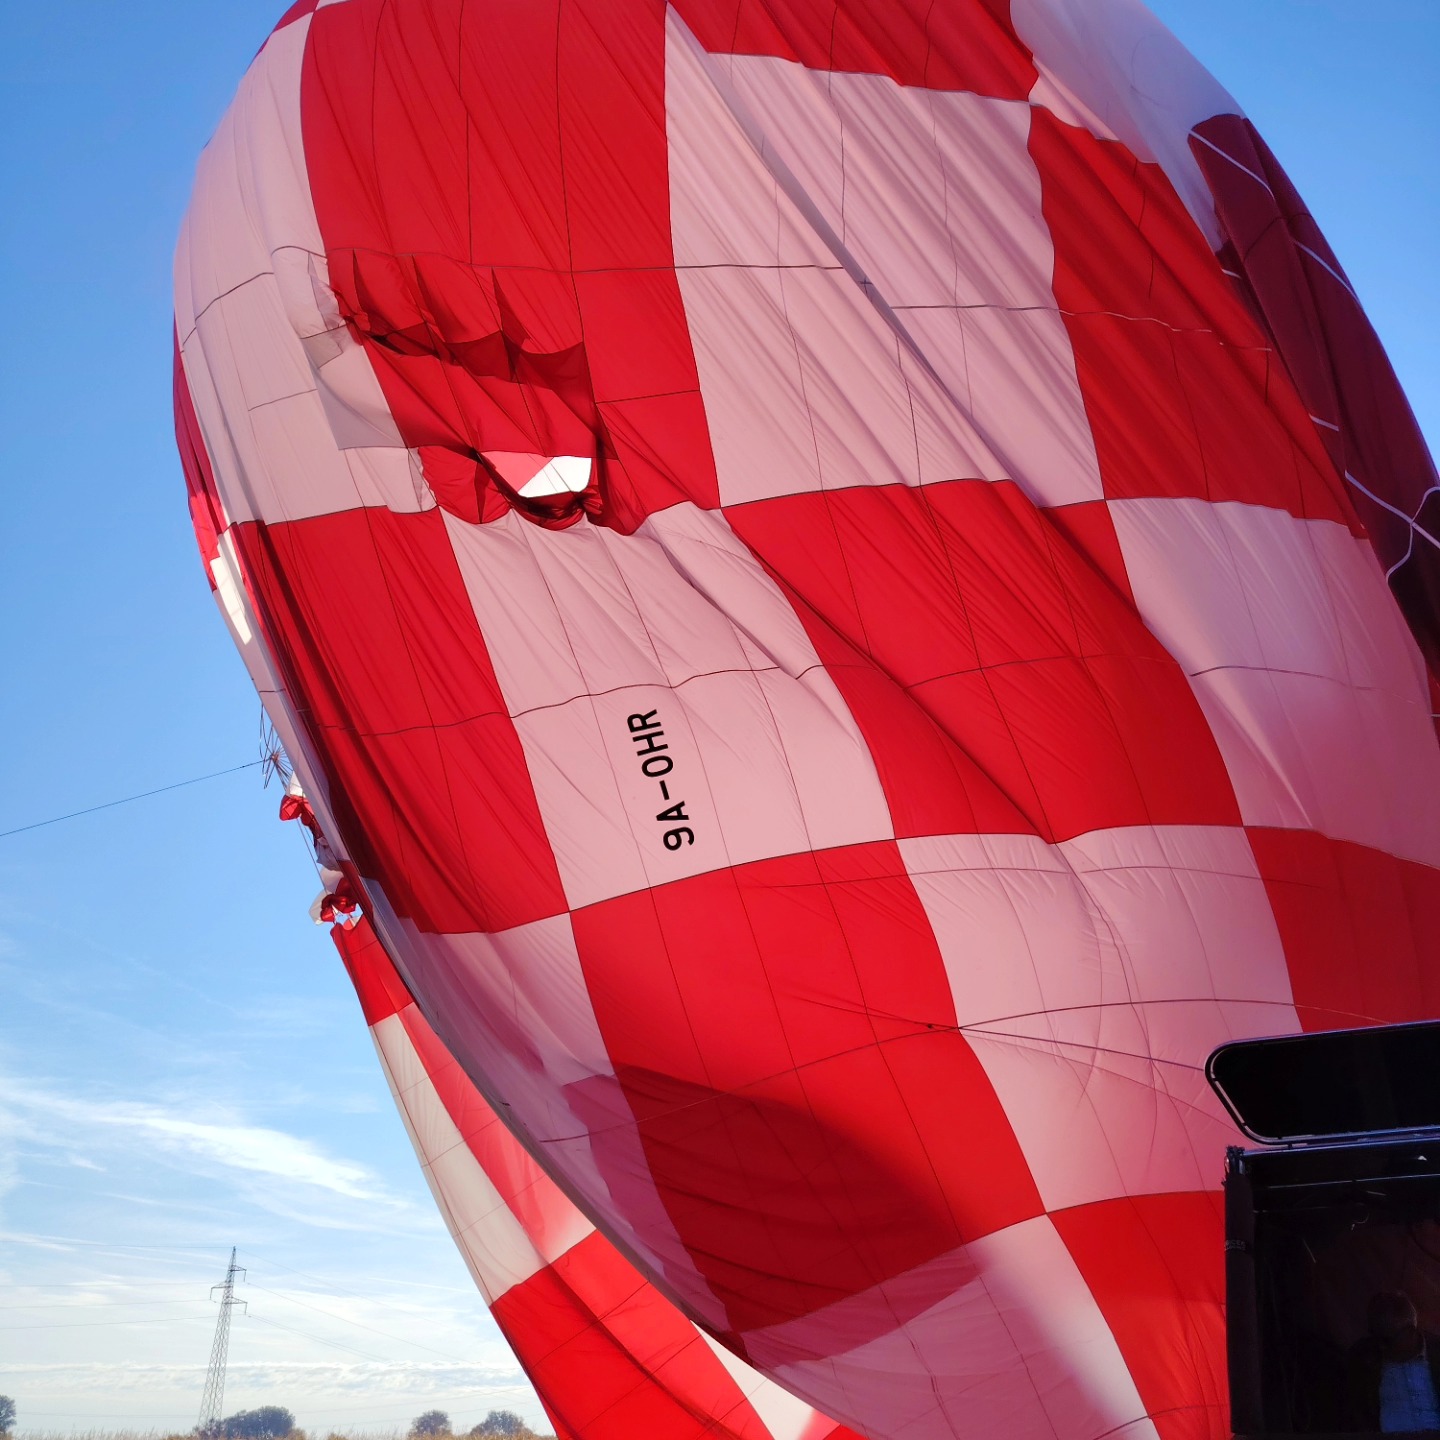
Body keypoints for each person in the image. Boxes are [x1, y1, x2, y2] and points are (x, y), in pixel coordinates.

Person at [1348, 1291, 1440, 1433]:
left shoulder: (1436, 1354)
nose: (1381, 1346)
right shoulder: (1364, 1360)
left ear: (1410, 1332)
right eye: (1375, 1336)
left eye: (1387, 1340)